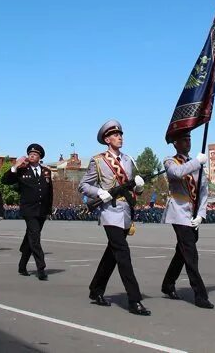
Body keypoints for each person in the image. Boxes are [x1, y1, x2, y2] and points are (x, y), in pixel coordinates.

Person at [79, 120, 150, 316]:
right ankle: (134, 299)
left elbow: (133, 188)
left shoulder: (128, 160)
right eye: (115, 135)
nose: (120, 137)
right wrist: (99, 192)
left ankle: (96, 288)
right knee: (123, 253)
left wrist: (139, 187)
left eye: (120, 134)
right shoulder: (98, 160)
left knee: (112, 253)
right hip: (110, 211)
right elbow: (84, 185)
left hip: (126, 211)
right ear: (107, 139)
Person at [160, 130, 213, 309]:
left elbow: (204, 190)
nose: (187, 142)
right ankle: (200, 294)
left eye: (189, 139)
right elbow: (177, 173)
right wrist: (197, 162)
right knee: (190, 252)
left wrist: (201, 214)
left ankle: (168, 284)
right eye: (183, 140)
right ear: (175, 143)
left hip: (193, 213)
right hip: (179, 211)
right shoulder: (170, 160)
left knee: (182, 251)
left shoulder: (196, 163)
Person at [2, 143, 53, 281]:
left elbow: (49, 192)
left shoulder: (46, 171)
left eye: (35, 154)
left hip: (42, 210)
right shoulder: (22, 170)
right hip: (29, 210)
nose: (32, 156)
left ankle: (22, 265)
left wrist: (49, 209)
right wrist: (15, 166)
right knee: (35, 237)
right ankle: (41, 268)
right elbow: (5, 181)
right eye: (30, 154)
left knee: (30, 238)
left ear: (39, 157)